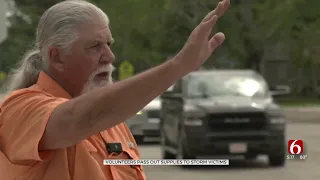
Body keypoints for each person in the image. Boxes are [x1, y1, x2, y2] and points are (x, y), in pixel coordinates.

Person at [0, 0, 230, 179]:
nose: (109, 57)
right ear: (57, 57)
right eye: (94, 46)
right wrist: (178, 66)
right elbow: (78, 118)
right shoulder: (20, 108)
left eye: (108, 44)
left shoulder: (114, 121)